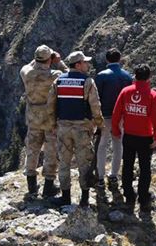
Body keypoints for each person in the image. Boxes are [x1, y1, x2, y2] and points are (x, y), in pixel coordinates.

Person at [47, 51, 104, 207]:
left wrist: (52, 125)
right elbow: (95, 106)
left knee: (64, 162)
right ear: (78, 65)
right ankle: (84, 198)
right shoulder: (87, 82)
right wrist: (100, 124)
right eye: (85, 62)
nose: (87, 64)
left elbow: (51, 105)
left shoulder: (59, 81)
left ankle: (65, 197)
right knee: (84, 162)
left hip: (63, 128)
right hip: (82, 129)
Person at [111, 64, 156, 212]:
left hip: (129, 135)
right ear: (149, 78)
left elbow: (116, 113)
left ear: (135, 76)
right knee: (145, 168)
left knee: (127, 165)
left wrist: (116, 130)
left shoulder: (126, 92)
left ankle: (128, 194)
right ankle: (144, 197)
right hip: (145, 137)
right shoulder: (153, 95)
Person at [19, 45, 67, 199]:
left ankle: (31, 187)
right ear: (50, 59)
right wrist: (59, 62)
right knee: (51, 152)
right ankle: (48, 186)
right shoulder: (55, 74)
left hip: (33, 117)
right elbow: (71, 76)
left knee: (32, 150)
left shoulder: (26, 73)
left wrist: (40, 59)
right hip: (50, 118)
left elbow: (29, 65)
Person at [94, 48, 133, 191]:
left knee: (102, 146)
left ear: (106, 60)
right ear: (120, 59)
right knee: (118, 146)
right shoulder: (127, 76)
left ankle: (100, 178)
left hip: (105, 116)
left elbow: (95, 98)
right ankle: (114, 176)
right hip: (121, 117)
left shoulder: (101, 76)